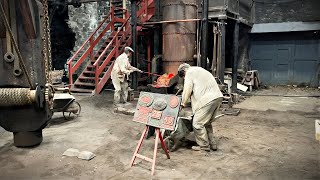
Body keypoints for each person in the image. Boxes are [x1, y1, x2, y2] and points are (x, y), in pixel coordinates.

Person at [178, 63, 223, 152]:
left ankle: (204, 147)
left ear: (183, 71)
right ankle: (212, 144)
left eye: (183, 76)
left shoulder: (189, 73)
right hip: (217, 97)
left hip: (207, 99)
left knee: (197, 124)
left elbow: (188, 88)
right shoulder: (199, 70)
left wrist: (182, 103)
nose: (184, 78)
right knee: (206, 123)